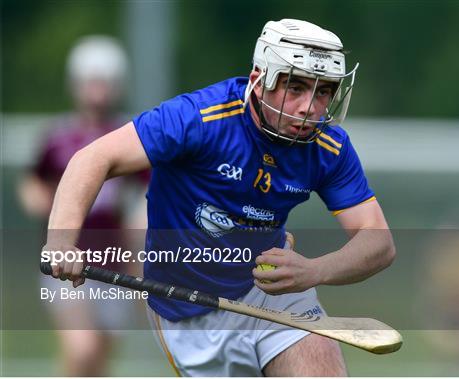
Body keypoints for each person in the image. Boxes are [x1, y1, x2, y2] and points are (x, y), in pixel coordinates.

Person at [43, 19, 396, 376]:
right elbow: (92, 158)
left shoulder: (328, 146)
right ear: (261, 80)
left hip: (270, 293)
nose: (310, 107)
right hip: (186, 309)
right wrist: (61, 241)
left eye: (323, 92)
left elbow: (377, 242)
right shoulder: (197, 119)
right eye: (296, 87)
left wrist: (315, 270)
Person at [20, 36, 146, 376]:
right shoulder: (58, 136)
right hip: (66, 261)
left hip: (111, 260)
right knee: (83, 346)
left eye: (105, 81)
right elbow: (33, 179)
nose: (98, 90)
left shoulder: (125, 136)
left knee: (96, 359)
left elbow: (149, 189)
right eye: (91, 81)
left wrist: (140, 221)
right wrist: (41, 202)